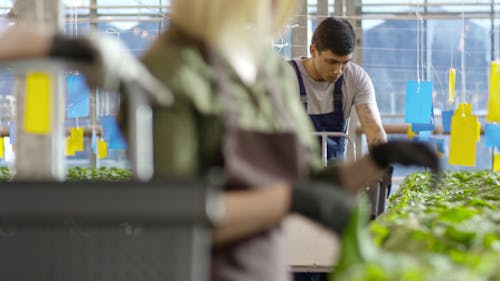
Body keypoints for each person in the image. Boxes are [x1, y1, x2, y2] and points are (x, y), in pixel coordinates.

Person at [0, 8, 439, 281]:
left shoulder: (268, 71)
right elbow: (174, 218)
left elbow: (309, 178)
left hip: (267, 267)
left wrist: (375, 161)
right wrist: (289, 199)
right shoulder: (174, 68)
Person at [289, 17, 387, 160]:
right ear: (313, 50)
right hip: (292, 174)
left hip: (334, 176)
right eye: (331, 62)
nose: (338, 70)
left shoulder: (355, 77)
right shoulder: (285, 76)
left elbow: (374, 130)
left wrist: (382, 164)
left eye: (345, 62)